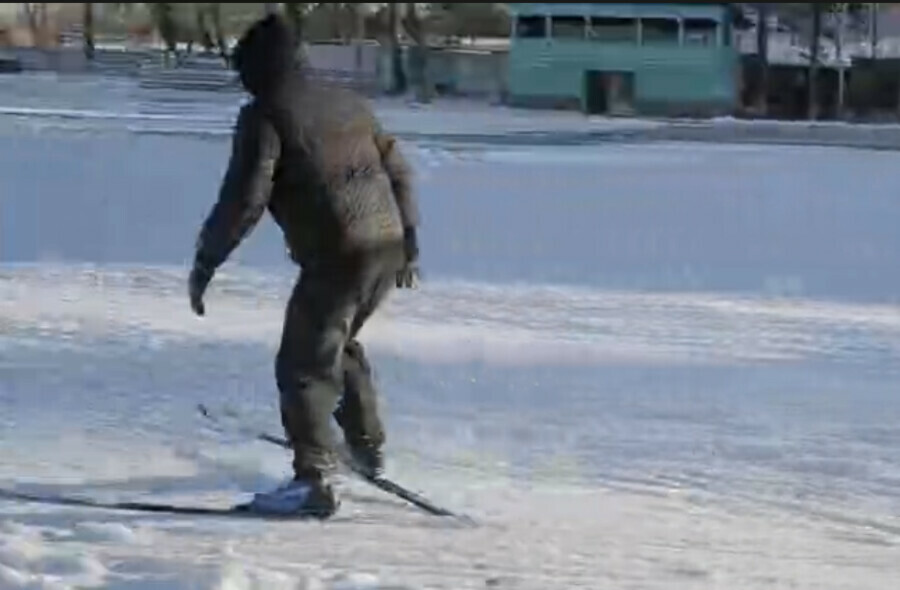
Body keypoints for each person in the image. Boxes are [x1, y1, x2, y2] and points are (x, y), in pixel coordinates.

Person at [186, 14, 421, 519]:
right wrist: (410, 240)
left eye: (243, 71)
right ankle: (365, 446)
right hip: (386, 245)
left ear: (259, 68)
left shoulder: (266, 115)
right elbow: (398, 168)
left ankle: (312, 481)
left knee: (303, 365)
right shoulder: (348, 103)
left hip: (340, 253)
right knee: (333, 343)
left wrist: (206, 261)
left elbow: (244, 200)